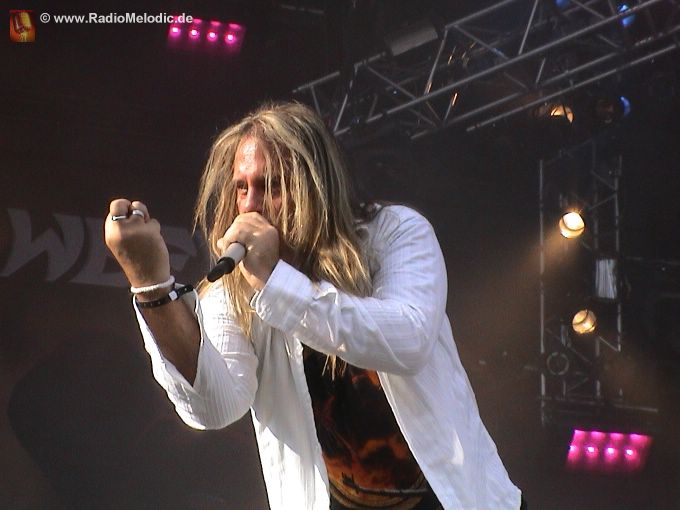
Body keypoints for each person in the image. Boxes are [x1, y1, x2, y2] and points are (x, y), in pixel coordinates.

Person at [104, 101, 524, 510]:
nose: (249, 206)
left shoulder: (395, 233)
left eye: (271, 186)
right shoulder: (233, 289)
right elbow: (214, 408)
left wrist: (274, 281)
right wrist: (150, 284)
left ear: (315, 186)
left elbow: (407, 341)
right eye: (241, 188)